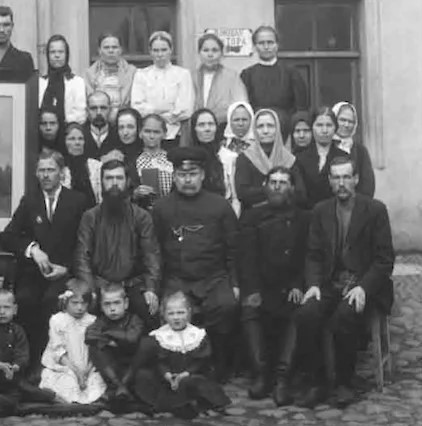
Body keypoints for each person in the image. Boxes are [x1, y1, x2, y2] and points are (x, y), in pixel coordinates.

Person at [294, 156, 394, 408]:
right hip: (330, 282)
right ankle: (318, 381)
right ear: (329, 181)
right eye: (336, 177)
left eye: (346, 177)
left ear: (356, 179)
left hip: (365, 283)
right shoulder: (321, 211)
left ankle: (344, 382)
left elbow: (384, 260)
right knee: (306, 314)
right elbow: (313, 254)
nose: (341, 183)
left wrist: (364, 287)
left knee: (343, 316)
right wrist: (313, 284)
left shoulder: (375, 210)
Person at [152, 147, 240, 381]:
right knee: (170, 310)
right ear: (174, 176)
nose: (187, 180)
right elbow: (155, 250)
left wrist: (235, 283)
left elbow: (233, 248)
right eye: (182, 174)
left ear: (202, 175)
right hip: (177, 278)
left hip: (214, 277)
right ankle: (177, 369)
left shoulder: (220, 206)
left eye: (193, 174)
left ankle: (219, 366)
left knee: (226, 306)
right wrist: (156, 287)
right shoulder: (162, 208)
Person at [0, 151, 89, 373]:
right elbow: (7, 237)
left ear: (62, 173)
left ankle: (52, 366)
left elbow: (86, 243)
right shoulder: (30, 201)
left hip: (66, 274)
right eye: (42, 170)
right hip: (33, 273)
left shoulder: (77, 201)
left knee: (53, 301)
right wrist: (33, 250)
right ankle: (27, 365)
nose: (46, 175)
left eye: (51, 170)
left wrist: (67, 268)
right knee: (25, 300)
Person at [237, 167, 309, 405]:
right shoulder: (251, 217)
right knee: (250, 310)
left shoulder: (303, 218)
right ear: (265, 186)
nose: (277, 187)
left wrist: (298, 284)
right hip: (262, 285)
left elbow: (308, 256)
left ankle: (282, 378)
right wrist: (253, 290)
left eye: (283, 182)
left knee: (297, 312)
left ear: (292, 188)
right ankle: (261, 373)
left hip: (290, 285)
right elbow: (246, 258)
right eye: (273, 182)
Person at [74, 159, 161, 327]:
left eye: (119, 178)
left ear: (127, 181)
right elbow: (82, 257)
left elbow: (151, 256)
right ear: (101, 182)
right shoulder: (90, 217)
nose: (114, 183)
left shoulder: (141, 217)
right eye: (109, 178)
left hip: (133, 285)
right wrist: (90, 290)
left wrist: (151, 289)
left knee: (149, 309)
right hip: (99, 286)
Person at [134, 292, 231, 419]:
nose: (176, 317)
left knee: (196, 383)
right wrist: (168, 375)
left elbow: (201, 361)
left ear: (189, 313)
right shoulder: (160, 336)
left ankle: (191, 403)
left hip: (191, 374)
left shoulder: (197, 334)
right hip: (168, 378)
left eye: (181, 313)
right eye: (171, 314)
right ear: (164, 315)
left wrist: (185, 374)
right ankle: (181, 405)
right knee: (145, 377)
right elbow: (160, 361)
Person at [0, 289, 56, 411]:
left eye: (6, 308)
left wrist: (17, 365)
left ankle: (11, 400)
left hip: (13, 373)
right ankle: (34, 394)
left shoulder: (18, 331)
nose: (2, 312)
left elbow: (22, 353)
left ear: (15, 310)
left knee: (17, 382)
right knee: (8, 380)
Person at [39, 279, 105, 404]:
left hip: (87, 365)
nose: (79, 307)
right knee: (67, 383)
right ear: (65, 302)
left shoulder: (92, 321)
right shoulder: (58, 320)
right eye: (74, 303)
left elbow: (96, 350)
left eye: (83, 303)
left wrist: (86, 371)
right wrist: (76, 372)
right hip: (66, 365)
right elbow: (58, 350)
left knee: (95, 383)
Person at [85, 282, 146, 412]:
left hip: (131, 366)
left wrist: (108, 334)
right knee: (95, 348)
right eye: (107, 304)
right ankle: (119, 387)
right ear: (101, 306)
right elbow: (90, 335)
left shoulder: (134, 319)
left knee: (145, 346)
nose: (112, 308)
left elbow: (132, 338)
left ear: (126, 303)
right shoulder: (101, 321)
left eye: (117, 303)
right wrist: (109, 341)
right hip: (111, 366)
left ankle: (123, 387)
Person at [240, 25, 308, 141]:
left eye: (270, 42)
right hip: (256, 134)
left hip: (285, 134)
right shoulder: (247, 75)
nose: (266, 47)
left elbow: (301, 109)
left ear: (277, 45)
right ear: (255, 47)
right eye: (261, 43)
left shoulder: (291, 73)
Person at [131, 31, 194, 148]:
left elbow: (186, 109)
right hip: (148, 134)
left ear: (171, 50)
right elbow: (137, 107)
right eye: (156, 50)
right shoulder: (141, 75)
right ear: (150, 52)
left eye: (164, 50)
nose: (160, 54)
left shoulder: (183, 74)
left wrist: (166, 116)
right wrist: (159, 109)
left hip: (175, 134)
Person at [235, 109, 306, 210]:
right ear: (254, 130)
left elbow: (300, 194)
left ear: (278, 128)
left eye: (270, 126)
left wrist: (263, 191)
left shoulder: (289, 159)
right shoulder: (245, 158)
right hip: (254, 215)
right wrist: (281, 190)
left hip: (286, 215)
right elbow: (242, 194)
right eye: (260, 126)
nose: (265, 131)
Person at [295, 107, 350, 207]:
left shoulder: (344, 157)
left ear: (335, 128)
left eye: (329, 125)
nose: (324, 130)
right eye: (319, 125)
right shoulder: (300, 158)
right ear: (312, 127)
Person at [193, 32, 248, 130]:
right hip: (197, 128)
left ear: (221, 54)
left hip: (224, 127)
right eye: (205, 50)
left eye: (215, 50)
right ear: (199, 53)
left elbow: (240, 104)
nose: (210, 54)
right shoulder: (191, 76)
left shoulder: (232, 76)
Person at [84, 33, 136, 122]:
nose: (111, 51)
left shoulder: (132, 72)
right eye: (106, 47)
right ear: (99, 50)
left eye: (114, 47)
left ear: (120, 50)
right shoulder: (90, 74)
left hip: (125, 120)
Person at [39, 34, 87, 125]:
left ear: (66, 55)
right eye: (52, 52)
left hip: (69, 129)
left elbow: (81, 114)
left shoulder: (77, 82)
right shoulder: (40, 83)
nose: (57, 55)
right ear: (48, 55)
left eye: (61, 52)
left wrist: (59, 122)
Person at [332, 102, 376, 197]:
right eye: (342, 120)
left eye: (351, 121)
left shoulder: (360, 151)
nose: (346, 125)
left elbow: (368, 184)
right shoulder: (327, 147)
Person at [191, 108, 234, 202]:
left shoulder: (229, 157)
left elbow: (234, 196)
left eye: (211, 124)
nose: (207, 129)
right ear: (194, 129)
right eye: (201, 125)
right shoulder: (188, 157)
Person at [132, 114, 174, 209]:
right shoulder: (133, 162)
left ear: (164, 134)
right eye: (147, 131)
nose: (151, 136)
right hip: (143, 212)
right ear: (140, 133)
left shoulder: (173, 159)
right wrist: (135, 194)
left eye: (156, 132)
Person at [61, 123, 102, 207]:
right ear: (64, 142)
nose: (77, 143)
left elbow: (101, 199)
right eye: (72, 139)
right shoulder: (60, 167)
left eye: (80, 139)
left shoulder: (96, 166)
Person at [83, 91, 121, 159]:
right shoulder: (79, 135)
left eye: (103, 108)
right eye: (93, 108)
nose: (98, 113)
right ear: (87, 111)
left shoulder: (119, 135)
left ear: (110, 110)